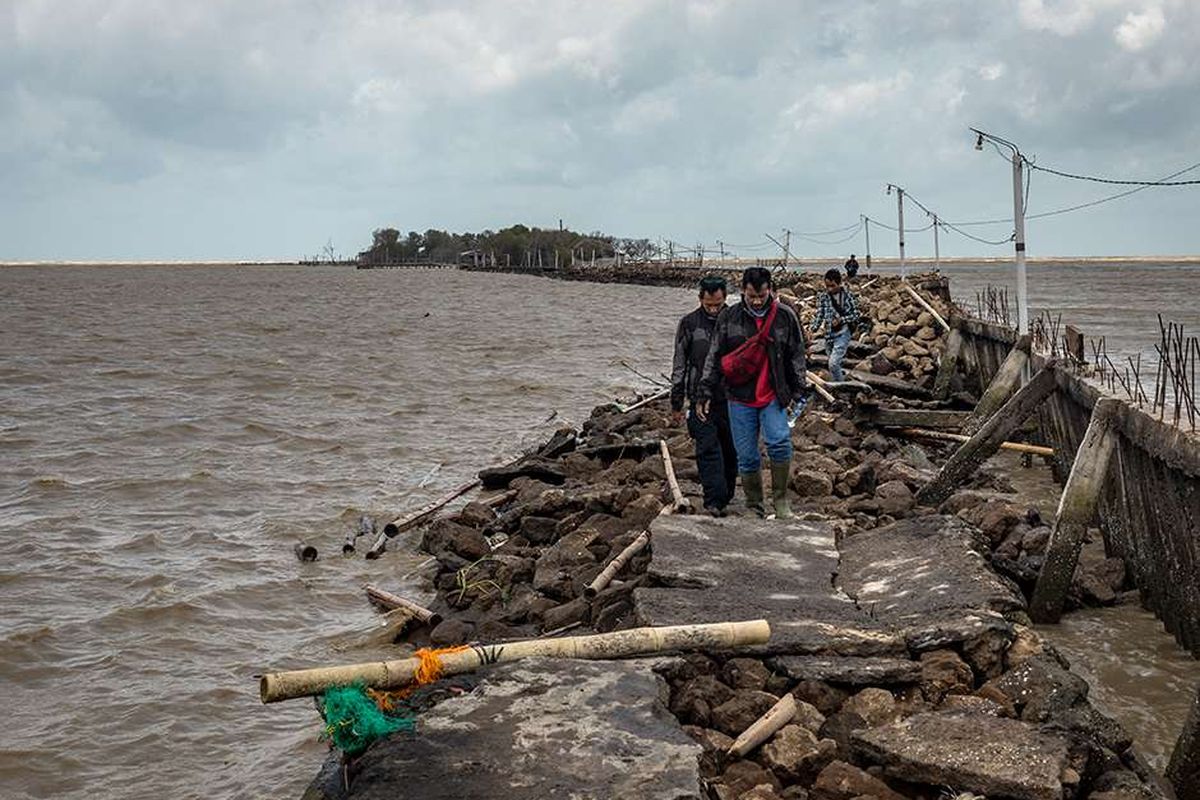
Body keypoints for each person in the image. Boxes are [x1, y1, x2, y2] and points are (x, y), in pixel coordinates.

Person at [697, 267, 807, 519]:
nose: (757, 301)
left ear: (770, 290)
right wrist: (704, 391)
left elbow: (797, 354)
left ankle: (781, 503)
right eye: (751, 296)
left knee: (779, 443)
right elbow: (714, 355)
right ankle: (754, 506)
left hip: (773, 393)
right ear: (742, 292)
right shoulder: (730, 317)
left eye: (761, 295)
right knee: (746, 455)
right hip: (738, 396)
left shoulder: (786, 316)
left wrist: (799, 388)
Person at [670, 276, 737, 516]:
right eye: (708, 304)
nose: (713, 309)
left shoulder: (736, 321)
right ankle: (713, 501)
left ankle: (726, 495)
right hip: (699, 399)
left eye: (717, 304)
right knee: (707, 448)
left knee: (731, 451)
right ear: (700, 299)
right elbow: (679, 364)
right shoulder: (689, 324)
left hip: (732, 398)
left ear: (725, 298)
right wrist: (676, 403)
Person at [811, 268, 860, 382]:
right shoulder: (824, 297)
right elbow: (820, 314)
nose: (829, 289)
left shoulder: (848, 296)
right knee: (832, 364)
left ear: (839, 283)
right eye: (827, 286)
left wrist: (841, 320)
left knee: (833, 364)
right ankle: (838, 381)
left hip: (843, 333)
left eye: (832, 286)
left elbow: (856, 314)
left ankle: (840, 386)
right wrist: (812, 329)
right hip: (829, 334)